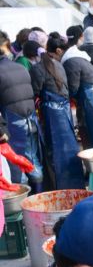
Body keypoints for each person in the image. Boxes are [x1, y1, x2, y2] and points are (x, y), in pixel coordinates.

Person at [31, 36, 85, 190]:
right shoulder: (58, 64)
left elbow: (35, 90)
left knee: (56, 151)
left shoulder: (37, 68)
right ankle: (76, 184)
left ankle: (63, 187)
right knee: (70, 148)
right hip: (64, 109)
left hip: (52, 112)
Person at [0, 32, 43, 190]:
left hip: (13, 119)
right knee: (32, 159)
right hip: (30, 117)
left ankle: (21, 204)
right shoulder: (20, 67)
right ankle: (38, 196)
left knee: (16, 163)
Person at [57, 29, 93, 149]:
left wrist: (67, 97)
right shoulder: (77, 57)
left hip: (89, 96)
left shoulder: (70, 61)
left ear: (60, 51)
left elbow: (73, 86)